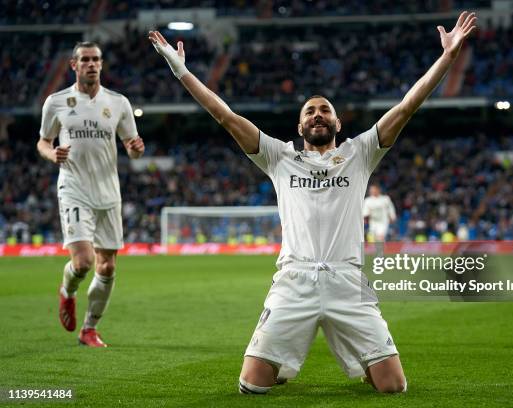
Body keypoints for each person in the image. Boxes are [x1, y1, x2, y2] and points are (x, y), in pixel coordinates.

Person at [149, 11, 476, 393]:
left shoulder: (362, 152)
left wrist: (448, 58)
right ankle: (282, 363)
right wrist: (181, 72)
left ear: (338, 124)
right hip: (294, 281)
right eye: (310, 111)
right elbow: (225, 115)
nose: (317, 115)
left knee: (393, 387)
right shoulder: (278, 156)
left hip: (347, 280)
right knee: (251, 387)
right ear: (299, 126)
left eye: (325, 111)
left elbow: (406, 107)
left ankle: (362, 361)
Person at [37, 41, 145, 347]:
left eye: (96, 59)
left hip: (109, 193)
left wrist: (137, 150)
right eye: (85, 59)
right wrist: (51, 154)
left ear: (101, 64)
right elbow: (42, 142)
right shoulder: (57, 102)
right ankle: (67, 292)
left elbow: (132, 147)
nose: (91, 64)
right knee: (83, 261)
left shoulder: (119, 103)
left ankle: (89, 329)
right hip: (74, 189)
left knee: (107, 266)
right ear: (74, 65)